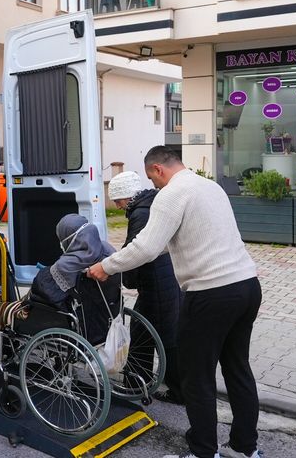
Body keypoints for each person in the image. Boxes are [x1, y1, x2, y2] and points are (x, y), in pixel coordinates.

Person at [88, 147, 262, 458]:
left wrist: (107, 266)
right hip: (247, 286)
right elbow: (181, 240)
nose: (153, 186)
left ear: (157, 169)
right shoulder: (210, 187)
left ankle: (203, 452)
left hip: (210, 293)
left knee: (196, 377)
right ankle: (245, 448)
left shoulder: (171, 194)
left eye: (152, 179)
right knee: (238, 370)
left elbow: (146, 247)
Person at [0, 214, 121, 365]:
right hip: (98, 319)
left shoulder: (65, 265)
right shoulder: (108, 254)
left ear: (68, 238)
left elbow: (40, 293)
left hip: (62, 320)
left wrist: (47, 274)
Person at [109, 171, 184, 405]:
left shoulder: (140, 214)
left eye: (118, 201)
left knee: (159, 335)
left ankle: (176, 390)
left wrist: (126, 279)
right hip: (167, 277)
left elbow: (135, 250)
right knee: (150, 331)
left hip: (157, 282)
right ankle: (138, 382)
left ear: (125, 197)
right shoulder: (151, 205)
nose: (118, 207)